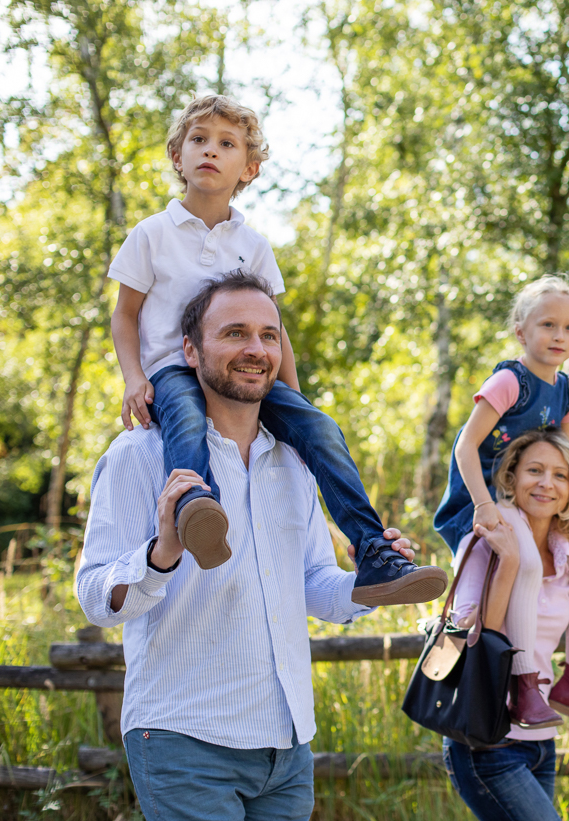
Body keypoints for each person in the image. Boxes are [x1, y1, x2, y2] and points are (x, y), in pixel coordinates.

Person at [77, 274, 420, 821]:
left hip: (286, 747)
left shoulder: (294, 460)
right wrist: (161, 553)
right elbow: (94, 597)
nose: (256, 350)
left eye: (269, 335)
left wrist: (367, 585)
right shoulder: (137, 456)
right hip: (184, 739)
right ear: (190, 350)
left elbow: (312, 586)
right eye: (235, 333)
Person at [108, 93, 444, 605]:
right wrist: (135, 378)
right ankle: (199, 510)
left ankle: (373, 550)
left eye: (226, 144)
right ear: (178, 156)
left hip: (245, 376)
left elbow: (275, 330)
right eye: (198, 140)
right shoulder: (151, 234)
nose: (210, 151)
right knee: (184, 416)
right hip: (174, 370)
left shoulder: (255, 243)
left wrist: (292, 396)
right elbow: (125, 315)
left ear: (251, 166)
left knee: (320, 428)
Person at [433, 276, 569, 731]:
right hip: (484, 499)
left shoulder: (566, 392)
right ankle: (522, 681)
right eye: (548, 325)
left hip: (529, 500)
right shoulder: (509, 381)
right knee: (522, 569)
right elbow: (465, 446)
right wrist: (481, 505)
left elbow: (566, 461)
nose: (559, 337)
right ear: (521, 331)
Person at [444, 429, 569, 821]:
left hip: (542, 740)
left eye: (560, 475)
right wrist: (509, 567)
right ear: (511, 478)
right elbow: (469, 639)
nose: (547, 483)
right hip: (488, 740)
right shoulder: (485, 543)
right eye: (535, 471)